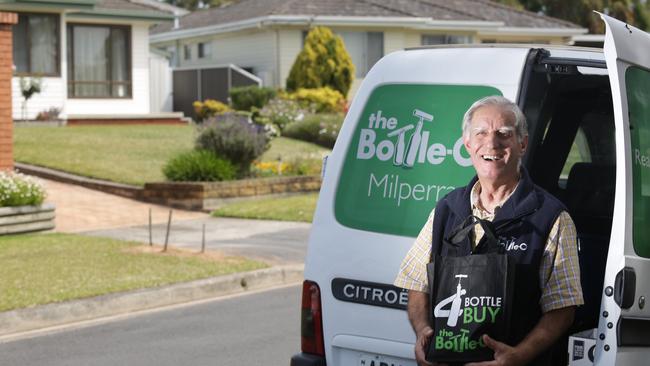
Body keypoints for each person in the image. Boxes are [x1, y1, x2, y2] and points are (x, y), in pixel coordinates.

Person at [394, 96, 583, 366]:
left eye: (504, 134)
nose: (491, 143)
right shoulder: (448, 209)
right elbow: (416, 284)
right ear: (468, 144)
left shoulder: (551, 217)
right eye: (481, 133)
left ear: (522, 143)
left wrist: (519, 356)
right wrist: (423, 331)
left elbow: (563, 308)